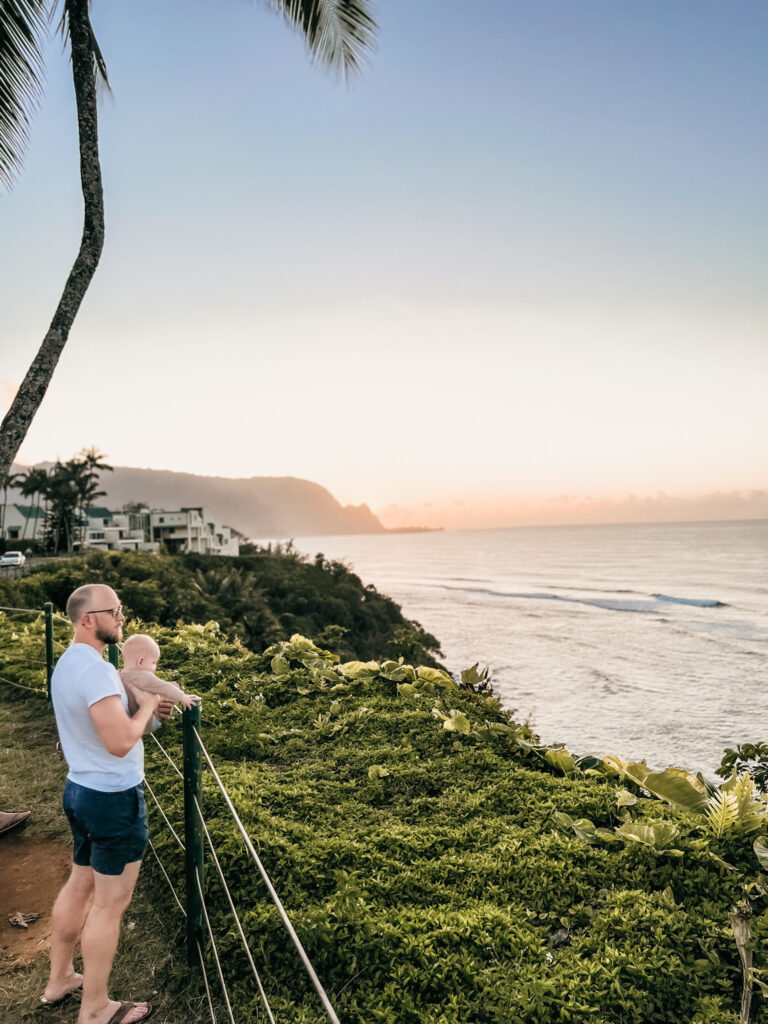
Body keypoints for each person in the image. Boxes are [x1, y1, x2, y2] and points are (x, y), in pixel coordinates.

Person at [42, 584, 173, 1024]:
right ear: (87, 619)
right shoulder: (98, 672)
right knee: (108, 905)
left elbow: (109, 725)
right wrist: (151, 701)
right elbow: (119, 742)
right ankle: (95, 1008)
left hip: (79, 790)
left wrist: (145, 713)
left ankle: (59, 978)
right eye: (113, 610)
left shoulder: (69, 664)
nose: (121, 617)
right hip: (112, 799)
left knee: (80, 884)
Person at [120, 634, 199, 714]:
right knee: (173, 686)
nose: (155, 667)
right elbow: (165, 687)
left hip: (125, 716)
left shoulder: (119, 675)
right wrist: (183, 697)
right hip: (143, 717)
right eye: (153, 662)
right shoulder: (143, 676)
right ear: (141, 661)